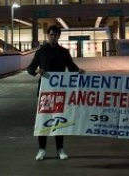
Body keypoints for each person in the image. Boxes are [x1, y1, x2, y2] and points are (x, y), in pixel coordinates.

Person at [27, 24, 85, 161]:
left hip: (60, 92)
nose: (53, 37)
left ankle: (60, 149)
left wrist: (79, 71)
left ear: (59, 36)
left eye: (56, 35)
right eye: (51, 34)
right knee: (43, 121)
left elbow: (72, 68)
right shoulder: (41, 52)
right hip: (45, 93)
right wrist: (38, 72)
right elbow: (30, 68)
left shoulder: (64, 52)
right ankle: (42, 150)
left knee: (59, 121)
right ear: (48, 36)